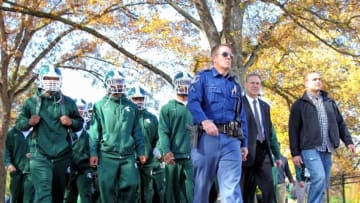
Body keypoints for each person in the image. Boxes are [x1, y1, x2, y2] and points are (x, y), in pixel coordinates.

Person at [187, 44, 248, 203]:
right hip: (207, 139)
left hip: (231, 141)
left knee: (231, 189)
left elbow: (241, 115)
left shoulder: (235, 85)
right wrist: (204, 120)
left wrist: (244, 143)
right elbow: (192, 102)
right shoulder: (202, 78)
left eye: (231, 56)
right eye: (225, 54)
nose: (229, 57)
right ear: (214, 58)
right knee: (202, 188)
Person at [16, 65, 84, 203]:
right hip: (39, 155)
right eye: (48, 78)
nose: (52, 81)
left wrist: (71, 122)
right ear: (41, 79)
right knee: (43, 193)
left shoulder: (68, 102)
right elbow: (19, 124)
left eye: (55, 78)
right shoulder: (31, 102)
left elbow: (80, 123)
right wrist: (29, 121)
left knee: (58, 195)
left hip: (62, 155)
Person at [288, 71, 356, 203]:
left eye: (319, 79)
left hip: (328, 147)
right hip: (309, 147)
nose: (318, 81)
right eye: (314, 79)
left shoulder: (329, 102)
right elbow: (293, 130)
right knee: (319, 177)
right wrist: (295, 153)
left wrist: (349, 142)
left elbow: (340, 123)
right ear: (306, 83)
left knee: (323, 181)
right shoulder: (299, 105)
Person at [88, 69, 146, 202]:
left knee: (132, 184)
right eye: (114, 82)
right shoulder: (100, 105)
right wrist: (93, 153)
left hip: (128, 155)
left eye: (120, 82)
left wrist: (141, 151)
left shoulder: (131, 106)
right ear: (107, 84)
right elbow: (94, 131)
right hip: (107, 154)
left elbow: (137, 131)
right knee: (107, 189)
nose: (118, 85)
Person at [240, 72, 282, 203]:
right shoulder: (239, 103)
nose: (255, 85)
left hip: (264, 153)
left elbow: (270, 133)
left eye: (257, 83)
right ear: (246, 84)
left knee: (269, 189)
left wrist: (277, 155)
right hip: (246, 153)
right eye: (252, 83)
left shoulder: (265, 106)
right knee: (246, 192)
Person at [158, 71, 194, 203]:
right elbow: (163, 132)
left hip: (193, 157)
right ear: (176, 85)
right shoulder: (167, 108)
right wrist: (166, 150)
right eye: (182, 83)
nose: (185, 87)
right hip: (174, 157)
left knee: (193, 193)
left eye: (187, 84)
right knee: (172, 194)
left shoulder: (197, 107)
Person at [128, 86, 165, 203]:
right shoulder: (125, 117)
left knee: (149, 190)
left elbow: (159, 137)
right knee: (133, 190)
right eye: (135, 99)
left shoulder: (152, 117)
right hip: (130, 159)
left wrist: (157, 150)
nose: (138, 101)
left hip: (149, 160)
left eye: (140, 98)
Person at [63, 98, 93, 203]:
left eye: (82, 108)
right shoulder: (64, 128)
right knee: (68, 197)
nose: (80, 111)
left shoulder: (91, 127)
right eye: (78, 108)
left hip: (84, 168)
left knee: (85, 196)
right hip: (68, 169)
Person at [3, 127, 34, 203]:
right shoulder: (12, 132)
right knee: (14, 197)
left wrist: (34, 154)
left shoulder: (37, 131)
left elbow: (44, 149)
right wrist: (8, 164)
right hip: (16, 171)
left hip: (31, 172)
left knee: (28, 199)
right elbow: (6, 150)